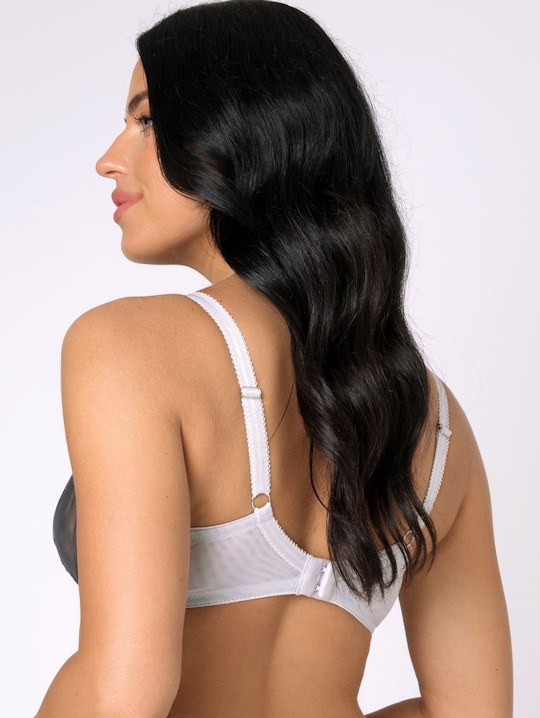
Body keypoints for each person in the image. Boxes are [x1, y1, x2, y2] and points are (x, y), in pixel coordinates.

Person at [35, 1, 513, 717]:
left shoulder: (126, 345)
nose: (110, 158)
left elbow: (123, 687)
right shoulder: (435, 424)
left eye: (148, 120)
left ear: (243, 133)